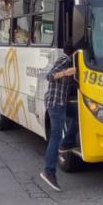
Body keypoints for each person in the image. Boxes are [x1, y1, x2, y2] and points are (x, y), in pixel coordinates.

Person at [40, 42, 77, 191]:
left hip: (62, 102)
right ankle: (48, 172)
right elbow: (49, 76)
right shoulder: (65, 60)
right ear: (74, 53)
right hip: (56, 103)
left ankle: (65, 144)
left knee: (80, 115)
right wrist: (67, 72)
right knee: (56, 135)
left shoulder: (68, 60)